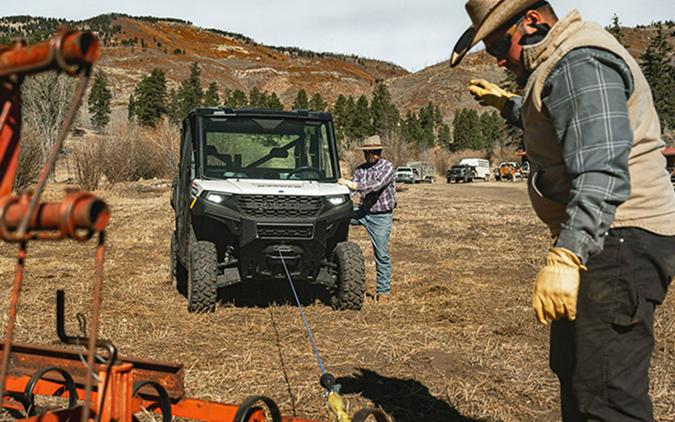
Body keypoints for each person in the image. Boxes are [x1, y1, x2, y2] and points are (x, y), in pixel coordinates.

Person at [450, 1, 675, 420]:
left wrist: (569, 252)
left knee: (606, 393)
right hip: (608, 237)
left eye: (501, 43)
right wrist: (508, 105)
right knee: (578, 372)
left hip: (617, 237)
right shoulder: (561, 65)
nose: (499, 58)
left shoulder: (578, 60)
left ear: (533, 22)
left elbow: (602, 167)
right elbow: (566, 115)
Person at [338, 135, 396, 304]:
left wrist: (353, 185)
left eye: (375, 151)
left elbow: (375, 185)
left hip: (381, 216)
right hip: (363, 212)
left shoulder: (387, 167)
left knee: (381, 253)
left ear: (380, 152)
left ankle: (383, 291)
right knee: (337, 219)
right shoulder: (360, 170)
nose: (372, 155)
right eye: (369, 152)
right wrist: (341, 190)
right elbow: (351, 192)